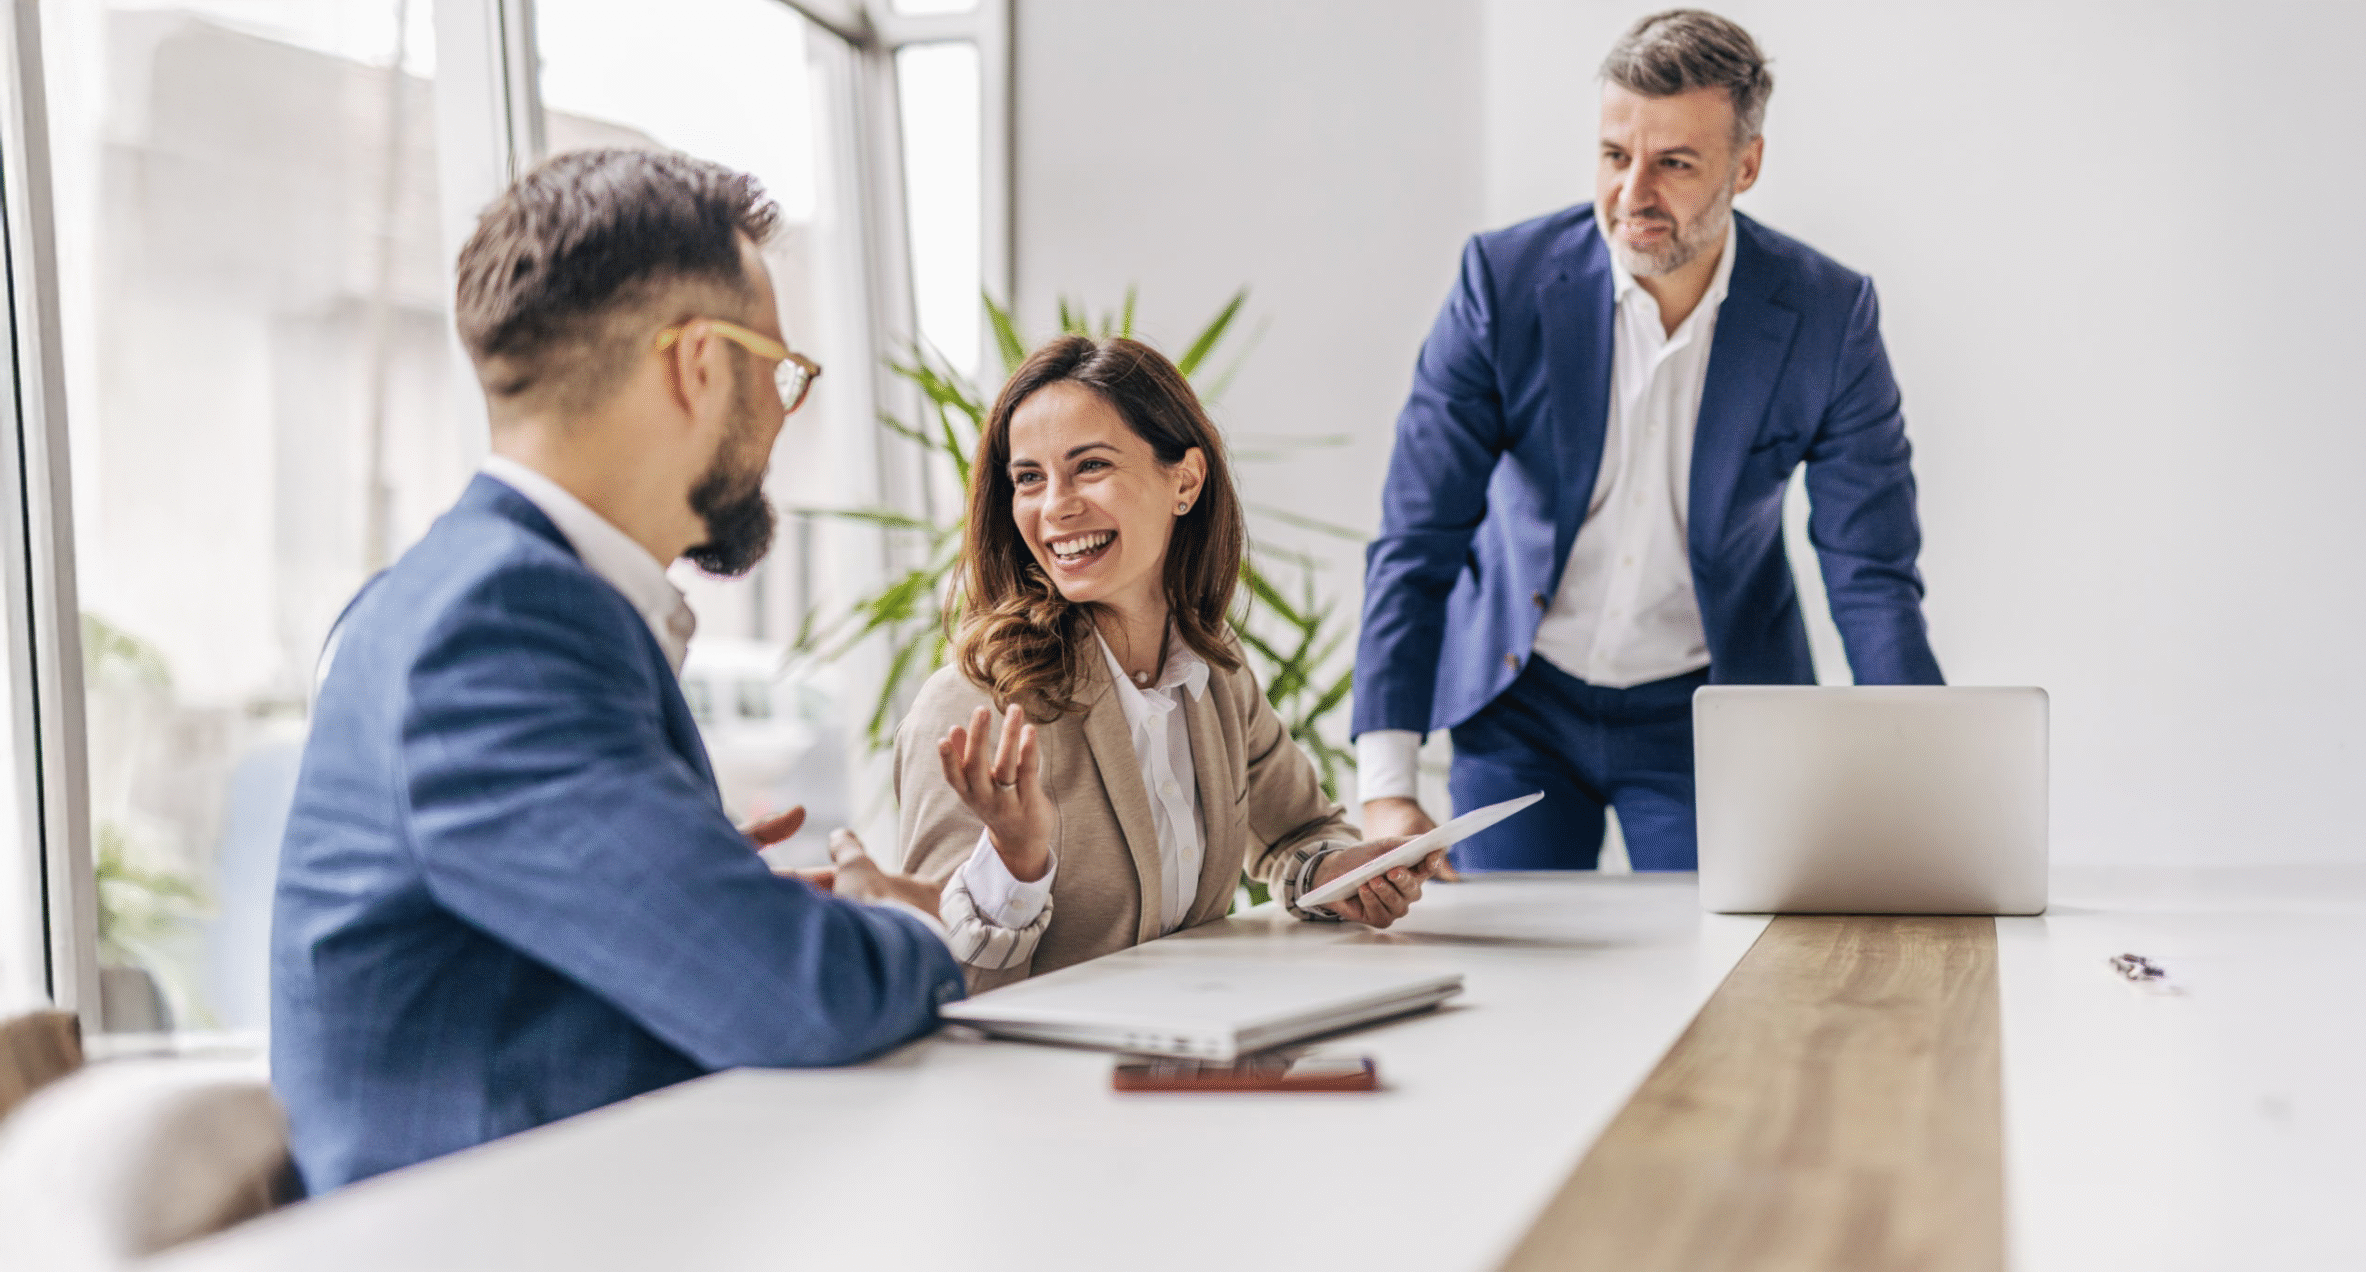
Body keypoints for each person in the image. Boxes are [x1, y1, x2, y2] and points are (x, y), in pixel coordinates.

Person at [268, 149, 964, 1193]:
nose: (782, 413)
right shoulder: (498, 622)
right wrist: (911, 923)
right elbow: (796, 994)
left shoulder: (471, 593)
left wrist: (693, 880)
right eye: (778, 371)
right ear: (695, 365)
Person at [1354, 10, 1943, 870]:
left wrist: (1923, 784)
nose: (1633, 196)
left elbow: (1870, 571)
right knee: (1516, 978)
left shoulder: (1827, 316)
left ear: (1746, 165)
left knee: (1740, 975)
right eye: (1614, 156)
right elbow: (1418, 535)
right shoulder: (1503, 284)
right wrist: (1387, 787)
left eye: (1673, 163)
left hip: (1712, 709)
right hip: (1522, 703)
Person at [882, 335, 1439, 993]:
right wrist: (1015, 865)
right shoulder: (973, 707)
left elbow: (1302, 831)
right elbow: (942, 982)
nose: (1055, 505)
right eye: (1029, 477)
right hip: (1050, 1082)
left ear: (1185, 481)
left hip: (1198, 1053)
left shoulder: (1216, 676)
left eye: (1090, 466)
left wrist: (1339, 874)